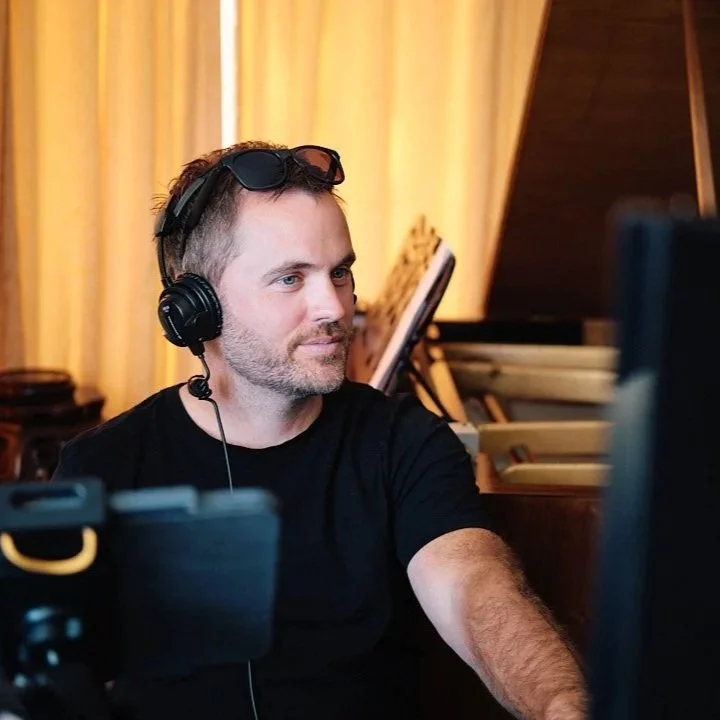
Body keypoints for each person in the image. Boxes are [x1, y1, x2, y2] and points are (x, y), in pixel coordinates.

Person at [45, 141, 587, 720]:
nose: (334, 307)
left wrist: (562, 702)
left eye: (340, 272)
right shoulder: (103, 467)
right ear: (196, 306)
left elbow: (475, 587)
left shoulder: (405, 440)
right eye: (290, 278)